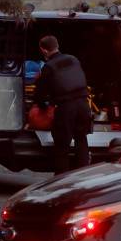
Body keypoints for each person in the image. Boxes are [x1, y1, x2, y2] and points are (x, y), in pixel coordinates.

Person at [34, 35, 91, 174]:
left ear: (44, 50)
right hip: (84, 105)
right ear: (57, 45)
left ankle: (61, 180)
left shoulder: (48, 67)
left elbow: (40, 94)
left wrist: (42, 107)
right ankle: (83, 176)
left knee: (62, 146)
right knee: (81, 140)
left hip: (66, 108)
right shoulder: (73, 59)